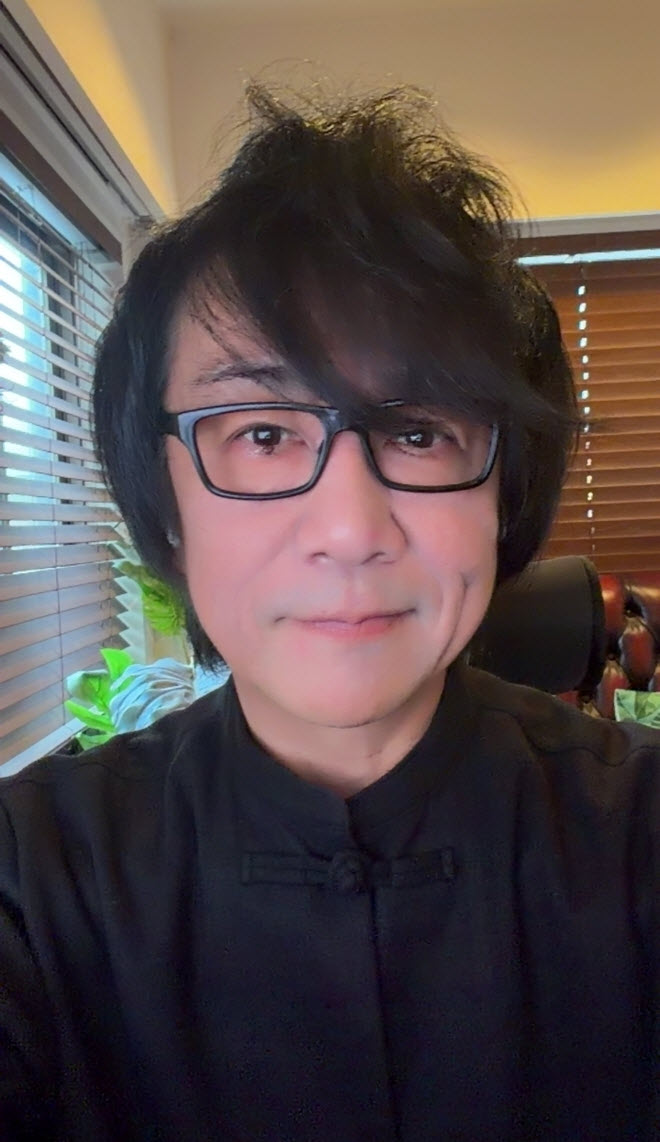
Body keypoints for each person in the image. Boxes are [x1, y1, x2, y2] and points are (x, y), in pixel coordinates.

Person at [0, 84, 657, 1142]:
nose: (350, 528)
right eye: (261, 433)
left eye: (420, 431)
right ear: (163, 501)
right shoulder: (33, 882)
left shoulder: (641, 837)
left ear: (506, 493)